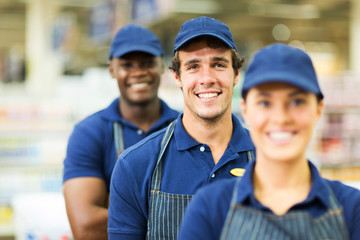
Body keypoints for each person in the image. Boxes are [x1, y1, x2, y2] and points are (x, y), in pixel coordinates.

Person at [177, 43, 360, 240]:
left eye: (297, 101)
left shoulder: (351, 208)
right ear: (246, 110)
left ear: (318, 109)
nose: (280, 118)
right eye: (265, 103)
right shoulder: (211, 208)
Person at [107, 16, 255, 240]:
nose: (207, 78)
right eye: (193, 66)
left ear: (236, 74)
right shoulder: (136, 165)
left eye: (218, 64)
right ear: (177, 77)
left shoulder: (273, 161)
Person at [62, 24, 179, 240]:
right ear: (112, 69)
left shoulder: (185, 127)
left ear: (162, 66)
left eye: (147, 63)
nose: (138, 72)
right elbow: (85, 227)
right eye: (127, 65)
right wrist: (173, 207)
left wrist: (116, 204)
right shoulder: (90, 133)